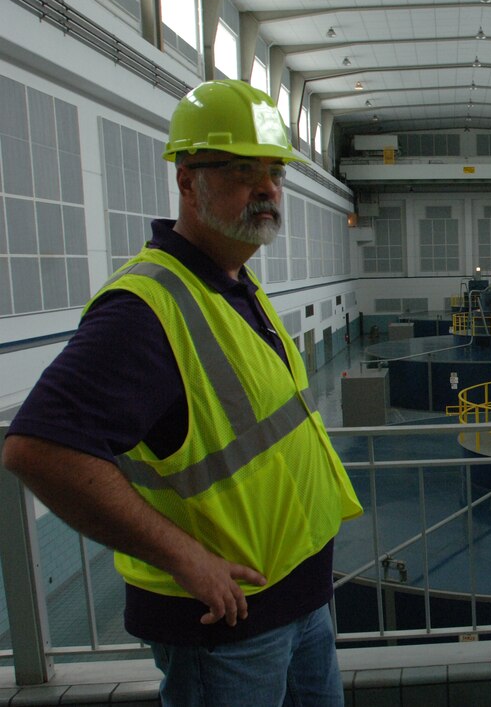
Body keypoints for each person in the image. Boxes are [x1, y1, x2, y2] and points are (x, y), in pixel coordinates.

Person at [2, 79, 362, 706]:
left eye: (274, 172)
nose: (267, 189)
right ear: (187, 180)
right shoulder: (146, 309)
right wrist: (185, 559)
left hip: (300, 599)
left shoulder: (235, 284)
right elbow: (38, 449)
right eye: (241, 170)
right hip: (228, 628)